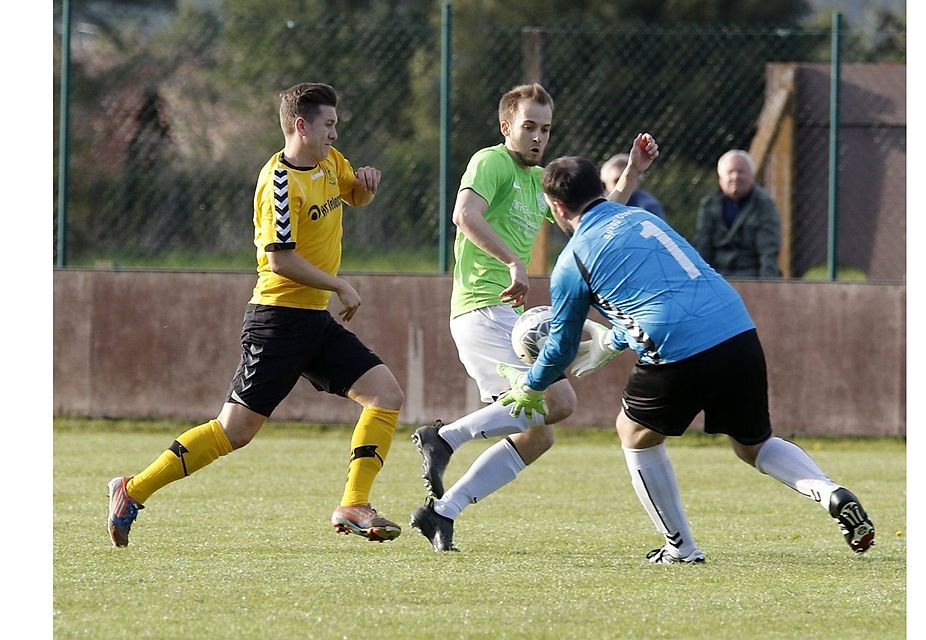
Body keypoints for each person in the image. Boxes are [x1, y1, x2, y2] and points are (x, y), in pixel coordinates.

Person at [495, 154, 875, 563]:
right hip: (735, 328)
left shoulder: (571, 262)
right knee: (753, 444)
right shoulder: (645, 220)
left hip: (678, 349)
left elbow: (561, 348)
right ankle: (829, 492)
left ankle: (680, 547)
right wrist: (616, 339)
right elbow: (675, 286)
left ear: (556, 207)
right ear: (601, 191)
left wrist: (531, 384)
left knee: (634, 431)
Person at [106, 82, 405, 546]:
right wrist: (340, 284)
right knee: (235, 432)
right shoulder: (279, 184)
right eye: (328, 124)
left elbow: (353, 197)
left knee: (385, 394)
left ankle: (354, 502)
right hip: (278, 320)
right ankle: (132, 489)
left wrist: (366, 185)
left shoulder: (330, 161)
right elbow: (279, 258)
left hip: (314, 319)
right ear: (300, 126)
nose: (335, 132)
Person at [408, 82, 660, 551]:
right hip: (481, 310)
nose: (538, 137)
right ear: (506, 127)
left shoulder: (538, 179)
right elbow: (465, 215)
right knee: (561, 402)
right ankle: (443, 437)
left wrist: (633, 174)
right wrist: (512, 261)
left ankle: (442, 512)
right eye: (528, 127)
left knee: (538, 436)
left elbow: (592, 217)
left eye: (545, 129)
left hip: (505, 313)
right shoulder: (491, 161)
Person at [693, 149, 781, 278]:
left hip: (751, 276)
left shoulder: (764, 204)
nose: (735, 177)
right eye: (730, 172)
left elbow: (768, 251)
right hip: (717, 274)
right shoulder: (709, 205)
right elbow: (703, 245)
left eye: (741, 171)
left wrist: (767, 286)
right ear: (720, 177)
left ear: (751, 175)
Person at [600, 152, 665, 220]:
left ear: (638, 181)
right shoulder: (598, 204)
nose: (623, 185)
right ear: (605, 181)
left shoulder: (648, 206)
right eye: (616, 181)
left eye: (629, 180)